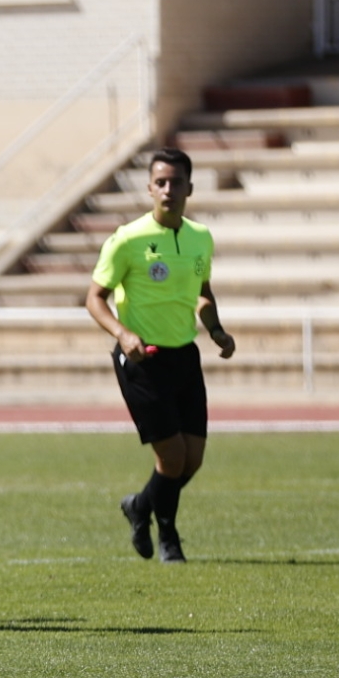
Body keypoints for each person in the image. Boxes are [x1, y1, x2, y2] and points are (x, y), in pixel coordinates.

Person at [85, 147, 235, 563]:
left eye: (176, 182)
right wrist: (123, 333)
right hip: (143, 361)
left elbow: (202, 293)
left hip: (185, 356)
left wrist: (216, 330)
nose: (168, 189)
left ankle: (140, 506)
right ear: (150, 188)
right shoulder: (127, 240)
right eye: (161, 182)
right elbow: (94, 298)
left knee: (192, 460)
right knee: (172, 458)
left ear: (190, 187)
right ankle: (168, 536)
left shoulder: (200, 238)